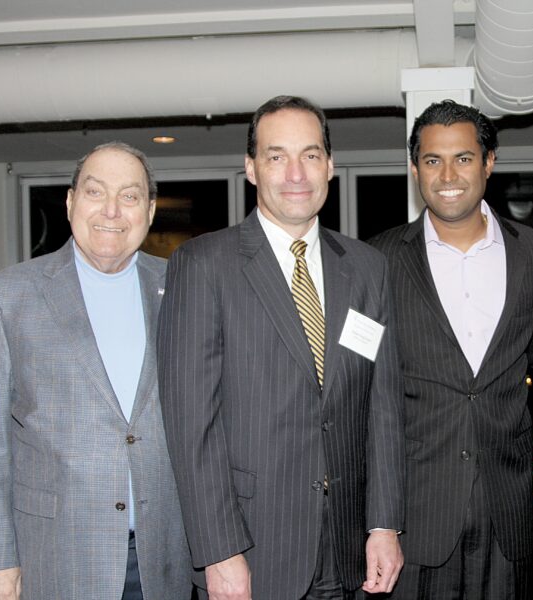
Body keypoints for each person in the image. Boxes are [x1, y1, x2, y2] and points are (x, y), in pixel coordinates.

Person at [157, 95, 405, 600]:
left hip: (346, 550)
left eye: (311, 155)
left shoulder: (366, 268)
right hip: (252, 551)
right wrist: (220, 552)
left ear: (331, 166)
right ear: (250, 168)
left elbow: (382, 407)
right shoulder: (203, 265)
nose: (296, 173)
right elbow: (191, 427)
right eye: (276, 156)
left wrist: (384, 524)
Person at [0, 142, 191, 600]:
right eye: (95, 192)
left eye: (129, 196)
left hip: (164, 556)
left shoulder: (183, 290)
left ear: (149, 210)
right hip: (53, 556)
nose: (111, 210)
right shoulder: (9, 297)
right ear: (69, 203)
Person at [371, 100, 533, 599]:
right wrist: (374, 519)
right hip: (414, 515)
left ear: (489, 162)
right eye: (432, 160)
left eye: (464, 158)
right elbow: (358, 381)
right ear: (414, 169)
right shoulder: (378, 259)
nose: (448, 174)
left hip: (507, 508)